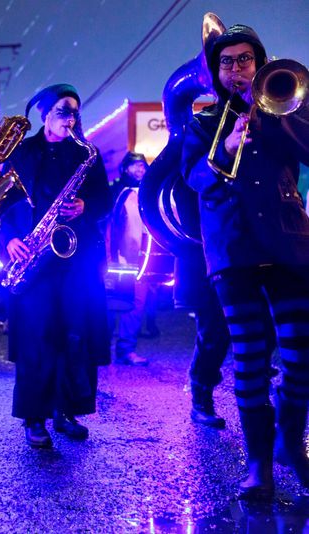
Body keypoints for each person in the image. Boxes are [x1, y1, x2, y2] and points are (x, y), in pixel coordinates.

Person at [182, 23, 309, 499]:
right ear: (217, 72)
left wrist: (281, 118)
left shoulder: (288, 108)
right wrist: (227, 145)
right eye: (226, 62)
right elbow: (193, 178)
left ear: (260, 63)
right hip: (233, 253)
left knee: (302, 358)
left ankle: (290, 440)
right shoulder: (201, 124)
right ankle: (259, 464)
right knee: (251, 362)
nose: (235, 68)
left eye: (244, 60)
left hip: (290, 248)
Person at [2, 84, 112, 449]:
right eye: (64, 110)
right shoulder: (22, 153)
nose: (72, 118)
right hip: (33, 258)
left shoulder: (87, 155)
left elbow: (104, 201)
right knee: (37, 337)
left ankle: (67, 411)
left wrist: (85, 207)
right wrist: (9, 239)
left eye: (75, 112)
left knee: (74, 335)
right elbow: (1, 203)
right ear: (45, 114)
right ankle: (34, 418)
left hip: (75, 259)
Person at [109, 152, 152, 366]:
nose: (140, 169)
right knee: (108, 304)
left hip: (141, 262)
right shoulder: (117, 193)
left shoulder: (149, 193)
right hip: (117, 260)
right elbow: (108, 225)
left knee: (136, 305)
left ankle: (126, 349)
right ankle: (100, 348)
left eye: (142, 166)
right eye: (135, 166)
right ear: (125, 169)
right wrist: (110, 256)